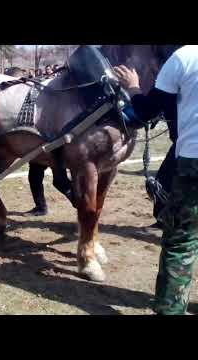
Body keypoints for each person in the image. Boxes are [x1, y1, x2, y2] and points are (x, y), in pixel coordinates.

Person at [114, 45, 197, 315]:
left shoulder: (185, 56)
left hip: (193, 160)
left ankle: (170, 310)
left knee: (181, 241)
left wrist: (134, 87)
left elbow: (148, 110)